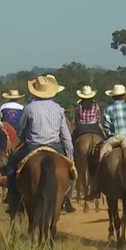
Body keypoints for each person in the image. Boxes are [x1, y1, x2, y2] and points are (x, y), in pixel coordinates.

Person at [5, 74, 75, 215]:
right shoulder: (59, 109)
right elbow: (65, 136)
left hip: (32, 146)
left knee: (11, 168)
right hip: (55, 146)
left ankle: (13, 199)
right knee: (71, 172)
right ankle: (67, 199)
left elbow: (20, 131)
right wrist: (70, 155)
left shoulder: (29, 108)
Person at [85, 84, 126, 200]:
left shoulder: (108, 109)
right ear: (124, 97)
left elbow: (106, 127)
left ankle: (96, 187)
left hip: (114, 139)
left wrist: (108, 133)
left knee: (98, 158)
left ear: (113, 97)